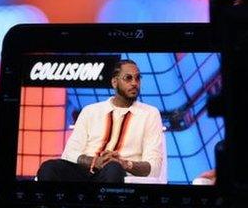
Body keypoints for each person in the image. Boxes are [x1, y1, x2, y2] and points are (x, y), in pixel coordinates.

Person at [37, 59, 166, 183]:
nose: (134, 83)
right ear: (114, 82)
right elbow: (69, 153)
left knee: (113, 168)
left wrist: (125, 163)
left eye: (138, 78)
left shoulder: (150, 114)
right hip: (84, 171)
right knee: (48, 168)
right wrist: (95, 161)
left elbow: (154, 167)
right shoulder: (90, 111)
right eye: (128, 78)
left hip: (119, 172)